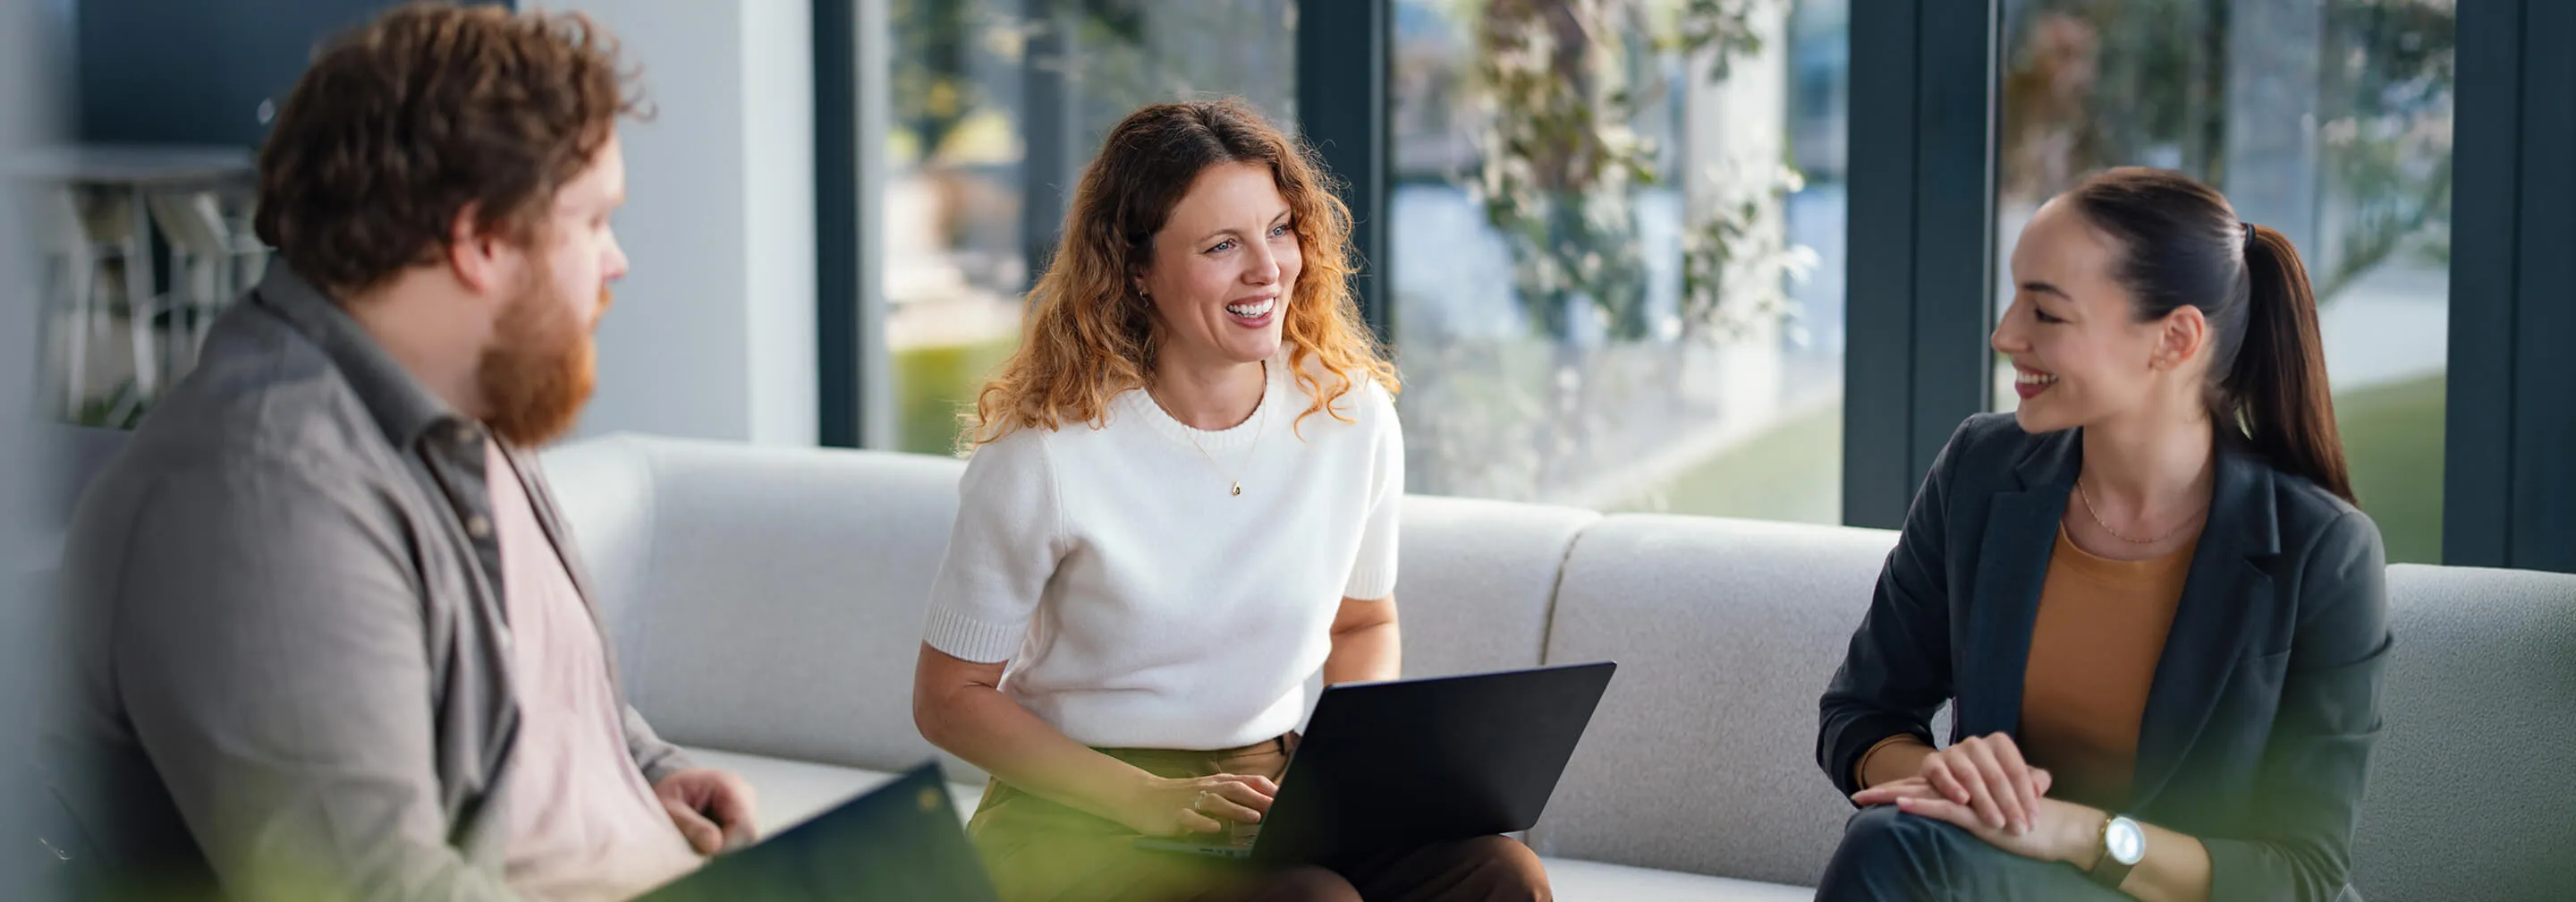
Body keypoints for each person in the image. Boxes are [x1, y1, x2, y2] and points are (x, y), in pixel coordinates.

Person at [47, 4, 756, 899]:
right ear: (479, 240)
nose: (615, 262)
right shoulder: (264, 502)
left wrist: (644, 771)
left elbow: (521, 678)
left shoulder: (465, 398)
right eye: (593, 220)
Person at [910, 98, 1550, 902]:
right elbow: (947, 700)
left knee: (1502, 876)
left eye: (1280, 230)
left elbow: (1363, 622)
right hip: (1076, 811)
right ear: (1135, 269)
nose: (1268, 269)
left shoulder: (1350, 417)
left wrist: (1353, 775)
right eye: (1222, 246)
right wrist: (1143, 798)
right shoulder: (1046, 454)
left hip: (1270, 790)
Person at [1813, 167, 2391, 901]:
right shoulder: (1981, 473)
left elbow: (2301, 872)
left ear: (2174, 339)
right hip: (2003, 879)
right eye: (2014, 296)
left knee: (1895, 853)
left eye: (2046, 313)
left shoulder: (2322, 550)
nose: (2003, 335)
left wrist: (2075, 832)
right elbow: (1861, 714)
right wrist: (1944, 777)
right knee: (1893, 842)